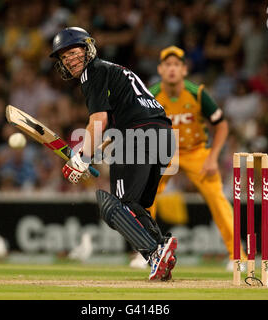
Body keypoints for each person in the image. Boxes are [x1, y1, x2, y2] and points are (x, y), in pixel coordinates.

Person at [48, 27, 177, 281]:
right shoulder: (115, 70)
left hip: (137, 136)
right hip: (163, 137)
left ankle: (155, 251)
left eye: (73, 53)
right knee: (134, 205)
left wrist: (82, 159)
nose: (70, 60)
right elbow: (120, 123)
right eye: (64, 58)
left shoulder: (93, 73)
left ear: (88, 49)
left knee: (115, 207)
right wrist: (89, 153)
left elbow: (99, 119)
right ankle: (161, 248)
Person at [130, 46, 246, 270]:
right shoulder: (150, 94)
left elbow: (221, 125)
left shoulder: (197, 93)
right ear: (160, 69)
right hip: (164, 153)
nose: (172, 69)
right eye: (168, 65)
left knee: (218, 200)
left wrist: (213, 157)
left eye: (176, 65)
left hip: (196, 152)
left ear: (184, 70)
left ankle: (237, 256)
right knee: (145, 200)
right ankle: (145, 253)